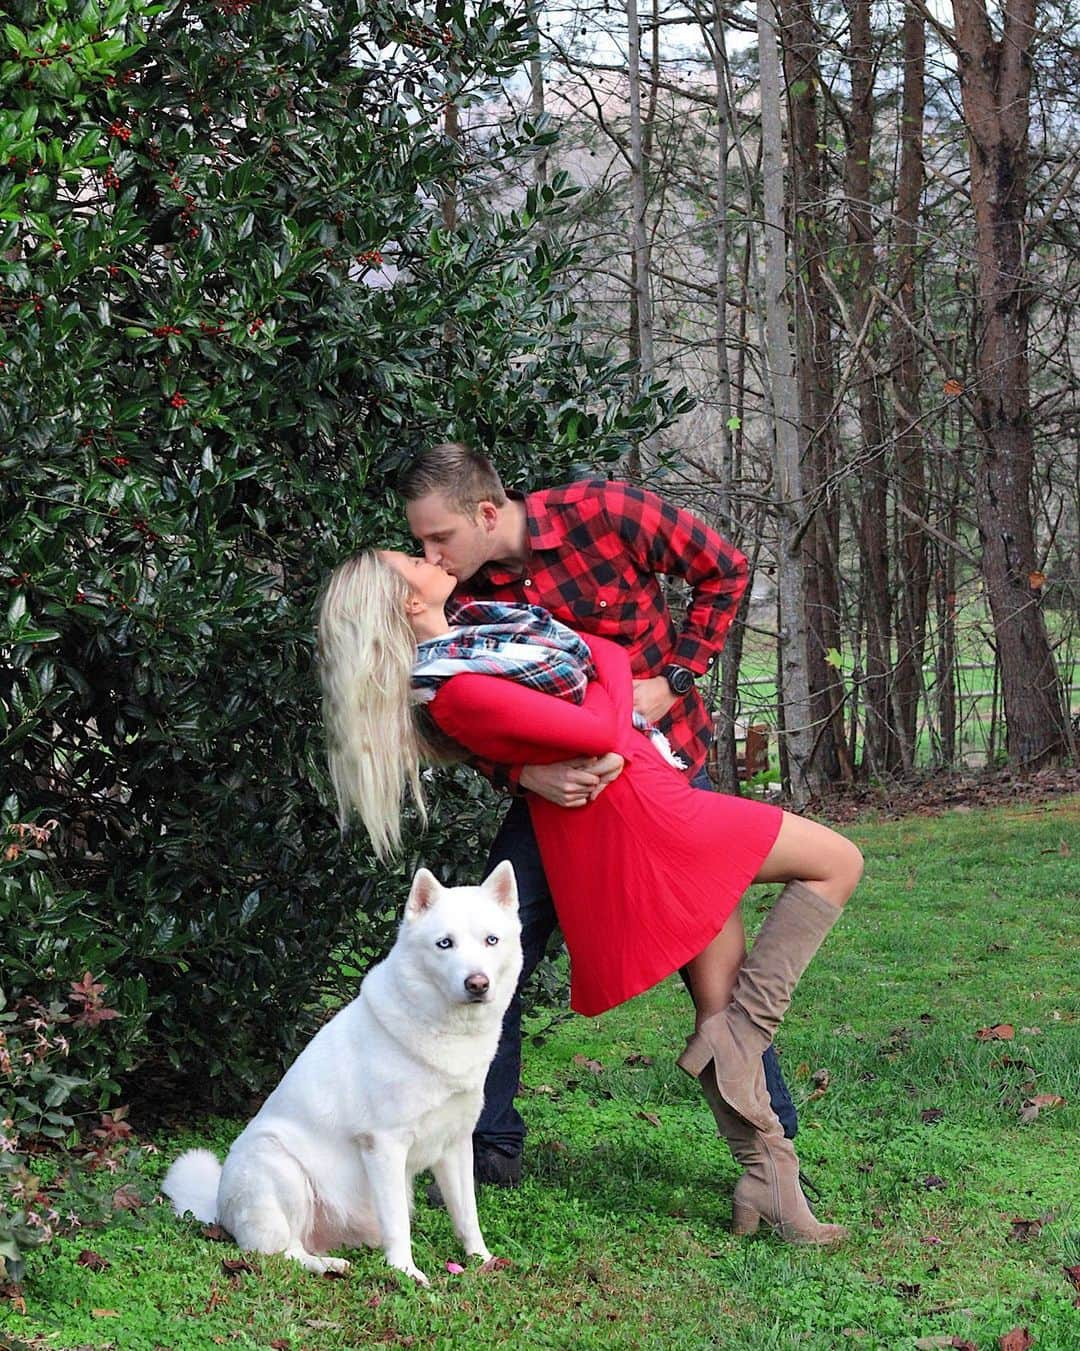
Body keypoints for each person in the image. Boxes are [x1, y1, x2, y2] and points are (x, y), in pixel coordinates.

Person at [317, 550, 864, 1243]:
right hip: (651, 815)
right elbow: (603, 705)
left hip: (650, 794)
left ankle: (769, 1178)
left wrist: (584, 689)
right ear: (403, 602)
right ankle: (735, 1053)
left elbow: (573, 705)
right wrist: (606, 663)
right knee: (838, 862)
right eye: (411, 557)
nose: (428, 555)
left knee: (721, 996)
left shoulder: (474, 642)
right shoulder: (456, 686)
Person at [398, 445, 797, 1187]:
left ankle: (773, 1141)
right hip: (559, 801)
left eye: (440, 538)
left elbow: (726, 570)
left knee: (713, 963)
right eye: (422, 544)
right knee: (492, 949)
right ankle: (488, 1149)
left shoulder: (604, 513)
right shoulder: (464, 596)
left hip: (666, 764)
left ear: (488, 512)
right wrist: (527, 773)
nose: (433, 556)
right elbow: (458, 714)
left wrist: (674, 678)